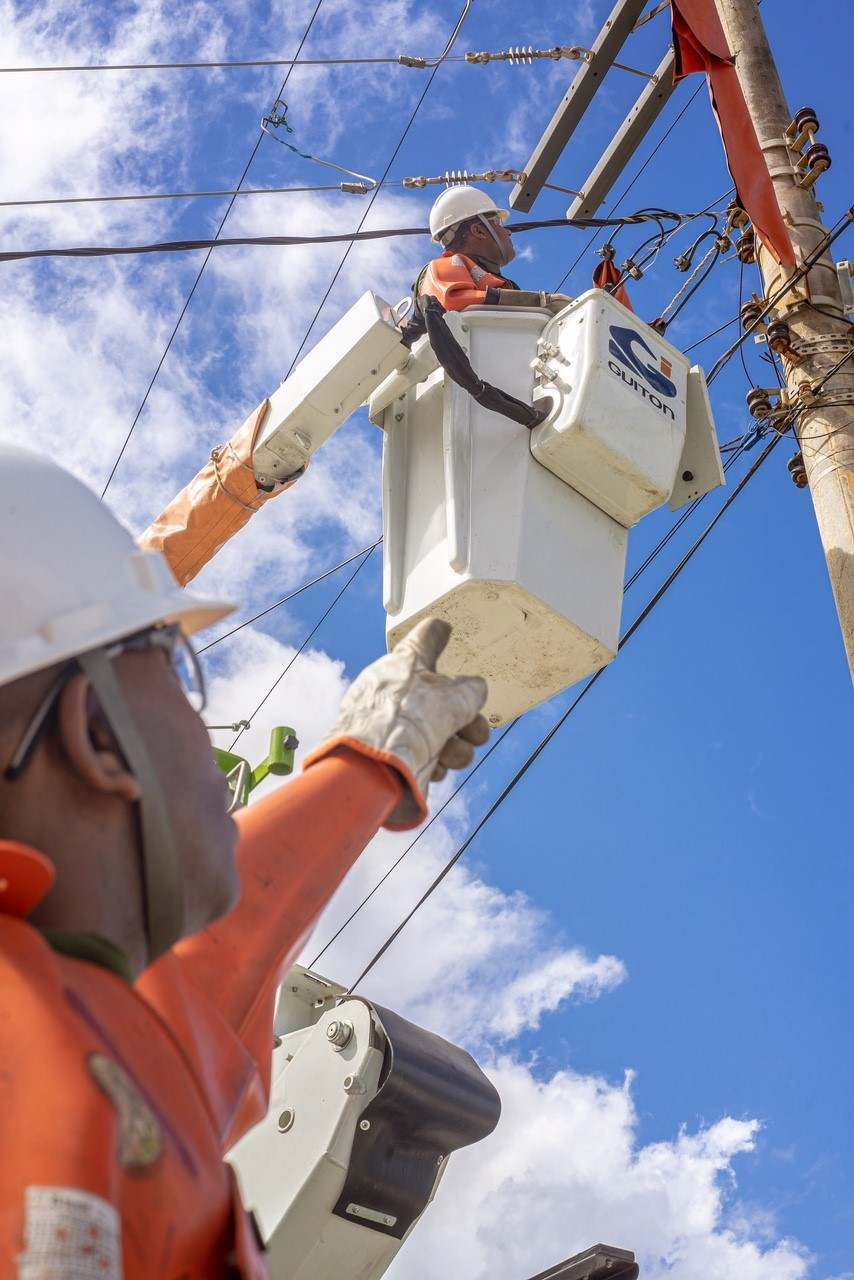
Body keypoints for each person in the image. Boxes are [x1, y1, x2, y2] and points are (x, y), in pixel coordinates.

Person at [0, 444, 490, 1277]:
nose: (205, 730)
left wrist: (373, 761)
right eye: (183, 674)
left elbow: (211, 972)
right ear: (99, 733)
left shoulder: (83, 1031)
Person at [417, 186, 572, 315]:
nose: (508, 232)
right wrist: (539, 302)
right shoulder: (446, 265)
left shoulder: (503, 284)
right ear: (478, 231)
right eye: (498, 222)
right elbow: (452, 299)